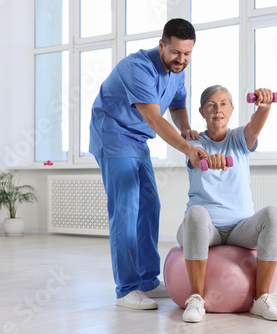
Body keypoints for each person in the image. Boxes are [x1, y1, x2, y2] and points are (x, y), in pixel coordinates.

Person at [89, 18, 207, 311]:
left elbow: (177, 103)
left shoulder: (177, 71)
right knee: (126, 209)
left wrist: (186, 129)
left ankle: (147, 279)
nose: (181, 60)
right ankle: (126, 288)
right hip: (113, 134)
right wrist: (189, 149)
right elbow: (154, 119)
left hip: (137, 141)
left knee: (150, 205)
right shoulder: (137, 68)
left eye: (187, 54)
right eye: (176, 53)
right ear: (161, 45)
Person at [176, 85, 277, 322]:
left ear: (232, 109)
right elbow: (196, 157)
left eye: (224, 104)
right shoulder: (192, 142)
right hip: (205, 230)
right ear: (201, 112)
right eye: (211, 105)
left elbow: (255, 126)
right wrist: (209, 157)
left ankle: (261, 298)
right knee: (196, 213)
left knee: (274, 215)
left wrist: (264, 106)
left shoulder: (240, 138)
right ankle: (196, 298)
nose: (218, 110)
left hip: (240, 228)